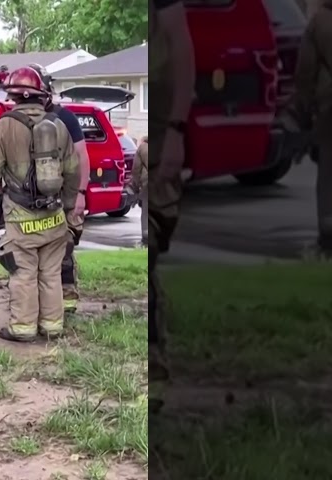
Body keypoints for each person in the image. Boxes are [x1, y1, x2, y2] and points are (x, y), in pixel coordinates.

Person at [0, 67, 81, 342]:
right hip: (55, 217)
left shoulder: (3, 127)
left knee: (23, 274)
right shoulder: (58, 126)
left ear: (13, 96)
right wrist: (69, 206)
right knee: (50, 273)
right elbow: (72, 170)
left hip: (20, 219)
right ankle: (52, 327)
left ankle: (22, 329)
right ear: (42, 96)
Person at [149, 0, 196, 388]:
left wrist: (177, 131)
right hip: (159, 135)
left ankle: (155, 358)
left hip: (167, 130)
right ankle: (153, 360)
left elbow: (181, 46)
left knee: (157, 239)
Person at [27, 63, 89, 314]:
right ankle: (39, 304)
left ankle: (68, 302)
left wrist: (81, 195)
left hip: (64, 198)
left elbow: (83, 157)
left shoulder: (65, 118)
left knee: (63, 248)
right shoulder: (17, 119)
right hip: (29, 200)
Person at [282, 0, 332, 256]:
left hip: (329, 110)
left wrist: (301, 109)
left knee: (329, 175)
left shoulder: (321, 21)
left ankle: (328, 241)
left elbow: (306, 71)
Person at [131, 136, 149, 245]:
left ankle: (146, 238)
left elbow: (136, 169)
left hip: (148, 184)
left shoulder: (142, 148)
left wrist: (135, 186)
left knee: (146, 211)